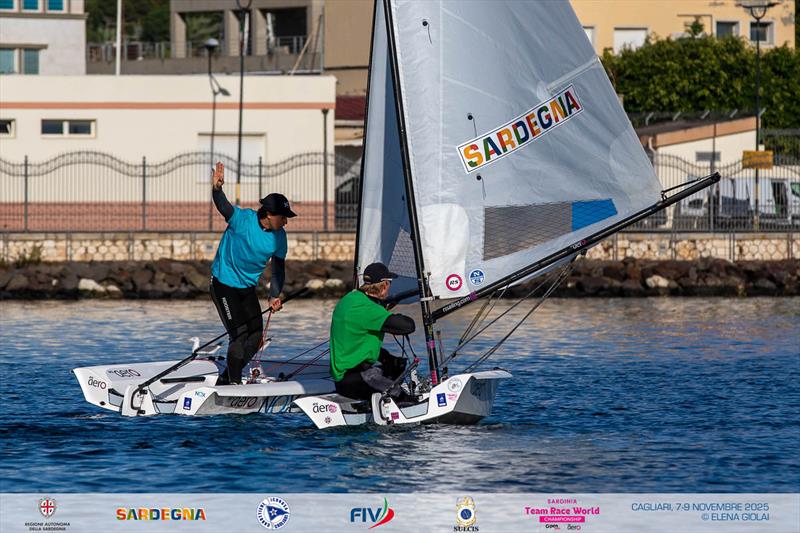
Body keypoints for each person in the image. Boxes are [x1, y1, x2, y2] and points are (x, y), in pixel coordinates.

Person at [209, 161, 296, 385]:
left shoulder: (279, 237)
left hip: (246, 288)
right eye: (283, 216)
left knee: (256, 336)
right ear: (268, 214)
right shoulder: (243, 220)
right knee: (239, 334)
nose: (286, 221)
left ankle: (227, 377)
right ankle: (235, 384)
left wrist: (274, 295)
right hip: (223, 283)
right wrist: (217, 189)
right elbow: (224, 207)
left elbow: (278, 269)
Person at [329, 262, 416, 401]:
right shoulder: (368, 309)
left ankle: (382, 398)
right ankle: (400, 400)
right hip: (355, 380)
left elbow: (361, 321)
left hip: (346, 376)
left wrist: (380, 308)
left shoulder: (350, 299)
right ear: (385, 285)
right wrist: (382, 312)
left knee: (394, 362)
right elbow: (408, 326)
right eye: (389, 284)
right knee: (406, 400)